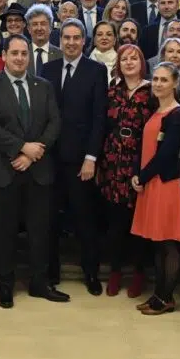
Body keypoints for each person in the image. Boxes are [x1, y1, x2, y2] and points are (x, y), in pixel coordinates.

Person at [0, 35, 66, 308]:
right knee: (5, 231)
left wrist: (34, 153)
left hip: (38, 170)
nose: (19, 58)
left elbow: (54, 122)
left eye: (24, 53)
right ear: (4, 55)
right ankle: (5, 284)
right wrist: (21, 148)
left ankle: (39, 283)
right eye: (14, 53)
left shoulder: (43, 86)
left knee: (40, 231)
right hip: (4, 171)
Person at [41, 20, 109, 293]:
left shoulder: (96, 70)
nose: (70, 42)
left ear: (84, 41)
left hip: (81, 160)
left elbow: (99, 117)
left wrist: (91, 157)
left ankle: (91, 272)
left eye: (76, 38)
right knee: (50, 219)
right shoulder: (48, 69)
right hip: (49, 158)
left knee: (84, 218)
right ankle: (51, 271)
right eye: (66, 37)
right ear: (60, 41)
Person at [98, 44, 156, 298]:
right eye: (124, 59)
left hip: (139, 161)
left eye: (134, 58)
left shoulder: (152, 91)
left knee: (138, 223)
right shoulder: (112, 91)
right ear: (118, 64)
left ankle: (139, 273)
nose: (129, 62)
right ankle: (115, 271)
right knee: (115, 224)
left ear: (142, 62)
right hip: (113, 162)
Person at [131, 62, 180, 315]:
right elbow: (144, 147)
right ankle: (158, 295)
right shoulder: (156, 111)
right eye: (155, 79)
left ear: (175, 83)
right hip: (150, 182)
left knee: (168, 243)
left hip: (164, 184)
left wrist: (143, 176)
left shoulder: (177, 115)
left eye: (164, 80)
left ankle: (166, 298)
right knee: (156, 242)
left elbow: (166, 154)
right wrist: (137, 174)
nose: (158, 84)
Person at [153, 38, 180, 109]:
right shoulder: (154, 79)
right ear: (163, 55)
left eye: (179, 52)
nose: (175, 55)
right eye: (170, 51)